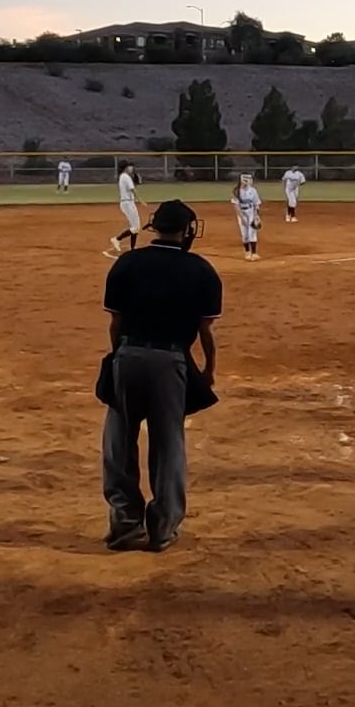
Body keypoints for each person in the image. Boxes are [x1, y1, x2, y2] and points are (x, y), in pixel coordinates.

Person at [99, 199, 222, 552]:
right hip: (171, 362)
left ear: (155, 226)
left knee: (118, 441)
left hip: (128, 356)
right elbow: (205, 331)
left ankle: (125, 525)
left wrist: (118, 358)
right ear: (186, 231)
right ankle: (163, 527)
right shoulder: (201, 270)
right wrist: (209, 370)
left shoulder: (127, 262)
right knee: (168, 445)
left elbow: (116, 323)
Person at [108, 160, 142, 253]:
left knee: (135, 226)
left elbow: (131, 188)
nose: (131, 168)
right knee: (136, 227)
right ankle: (117, 239)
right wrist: (141, 200)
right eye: (129, 166)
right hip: (128, 203)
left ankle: (132, 248)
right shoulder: (125, 176)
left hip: (128, 202)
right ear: (125, 168)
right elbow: (133, 190)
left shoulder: (124, 176)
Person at [232, 173, 262, 261]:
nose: (247, 182)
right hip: (242, 212)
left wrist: (257, 216)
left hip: (251, 211)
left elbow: (256, 204)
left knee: (252, 232)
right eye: (245, 180)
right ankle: (247, 252)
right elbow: (236, 206)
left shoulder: (253, 190)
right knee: (244, 234)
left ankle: (254, 253)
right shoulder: (237, 191)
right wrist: (241, 217)